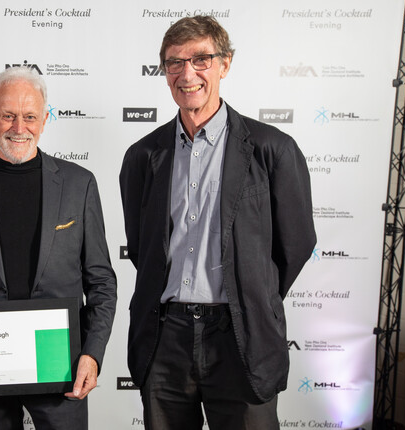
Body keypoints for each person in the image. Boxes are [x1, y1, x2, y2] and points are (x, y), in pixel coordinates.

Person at [119, 16, 316, 430]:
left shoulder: (272, 149)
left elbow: (295, 246)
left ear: (225, 64)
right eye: (174, 63)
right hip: (164, 337)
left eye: (201, 59)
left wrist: (250, 293)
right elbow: (142, 248)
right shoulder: (143, 155)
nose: (187, 73)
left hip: (242, 337)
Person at [0, 66, 117, 430]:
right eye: (8, 115)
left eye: (30, 116)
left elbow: (101, 283)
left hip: (60, 364)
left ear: (45, 119)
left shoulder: (78, 184)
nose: (19, 128)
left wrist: (92, 354)